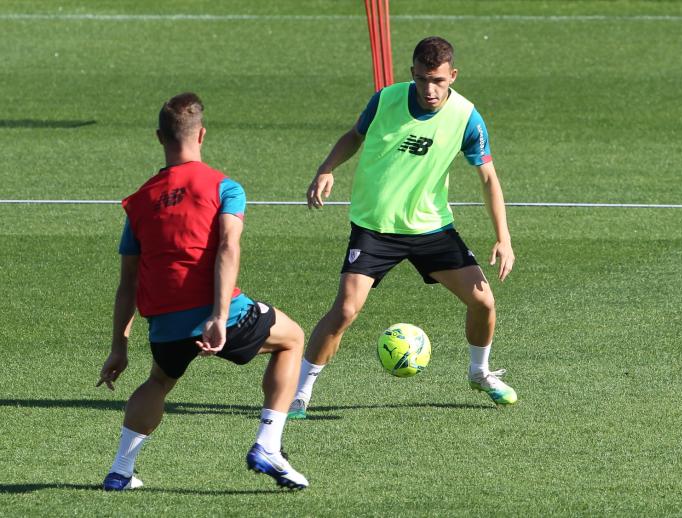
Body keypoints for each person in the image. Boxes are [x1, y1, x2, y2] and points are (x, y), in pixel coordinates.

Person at [288, 36, 517, 420]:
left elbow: (488, 178)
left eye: (439, 81)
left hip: (431, 229)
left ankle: (479, 373)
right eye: (424, 79)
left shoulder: (466, 116)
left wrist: (503, 238)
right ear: (412, 73)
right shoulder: (386, 99)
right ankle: (299, 392)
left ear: (453, 76)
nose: (430, 89)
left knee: (484, 302)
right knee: (345, 310)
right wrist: (326, 168)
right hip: (375, 227)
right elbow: (354, 135)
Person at [97, 92, 308, 490]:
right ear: (202, 135)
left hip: (164, 322)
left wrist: (119, 346)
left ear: (160, 137)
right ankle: (267, 444)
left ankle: (120, 472)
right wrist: (218, 314)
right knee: (292, 339)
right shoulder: (224, 187)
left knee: (158, 381)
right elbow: (229, 245)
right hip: (216, 311)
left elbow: (128, 282)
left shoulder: (139, 201)